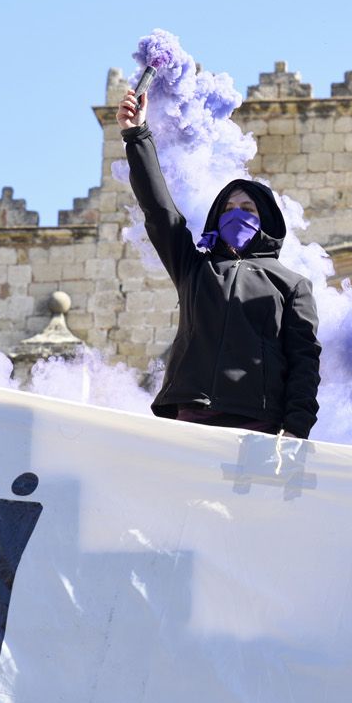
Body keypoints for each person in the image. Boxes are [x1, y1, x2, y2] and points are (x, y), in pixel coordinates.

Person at [117, 85, 320, 438]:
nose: (236, 215)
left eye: (247, 209)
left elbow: (305, 361)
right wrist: (137, 135)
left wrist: (296, 429)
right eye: (227, 210)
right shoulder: (194, 269)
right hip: (192, 415)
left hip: (258, 422)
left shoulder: (291, 285)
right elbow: (159, 210)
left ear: (266, 220)